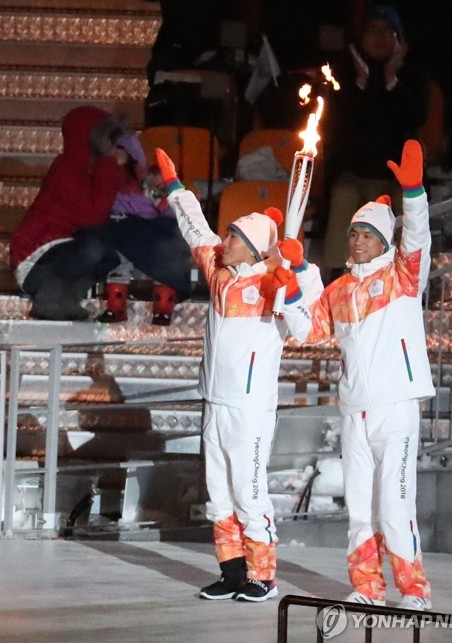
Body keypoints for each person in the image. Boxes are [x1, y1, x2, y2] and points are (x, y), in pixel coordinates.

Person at [155, 147, 322, 602]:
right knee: (218, 496)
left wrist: (299, 274)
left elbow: (310, 327)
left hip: (250, 409)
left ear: (251, 246)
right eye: (227, 236)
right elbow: (195, 229)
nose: (222, 242)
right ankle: (231, 572)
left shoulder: (273, 285)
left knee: (249, 495)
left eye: (232, 238)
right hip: (215, 401)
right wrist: (175, 189)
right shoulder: (219, 274)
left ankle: (262, 576)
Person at [274, 140, 434, 610]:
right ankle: (367, 586)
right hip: (356, 412)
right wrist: (292, 286)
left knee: (395, 506)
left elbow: (418, 238)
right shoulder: (340, 289)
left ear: (384, 241)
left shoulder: (404, 279)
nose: (357, 241)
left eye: (366, 234)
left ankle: (414, 590)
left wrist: (415, 194)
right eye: (353, 234)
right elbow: (308, 331)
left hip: (395, 408)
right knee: (360, 508)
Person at [322, 4, 429, 283]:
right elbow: (339, 122)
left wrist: (391, 80)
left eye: (387, 31)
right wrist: (362, 82)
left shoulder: (412, 76)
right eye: (373, 30)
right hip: (355, 171)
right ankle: (337, 276)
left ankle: (397, 274)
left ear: (399, 39)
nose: (380, 37)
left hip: (394, 175)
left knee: (403, 204)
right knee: (343, 193)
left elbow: (416, 115)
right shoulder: (343, 73)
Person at [10, 106, 126, 320]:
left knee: (108, 251)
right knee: (92, 248)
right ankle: (49, 299)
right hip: (34, 257)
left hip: (55, 251)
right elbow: (94, 214)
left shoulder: (86, 169)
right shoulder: (66, 169)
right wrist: (109, 164)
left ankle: (63, 299)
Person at [96, 131, 191, 326]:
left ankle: (163, 308)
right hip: (121, 227)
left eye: (119, 150)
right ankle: (116, 305)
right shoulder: (103, 176)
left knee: (167, 250)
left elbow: (166, 204)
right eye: (109, 150)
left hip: (151, 228)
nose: (114, 155)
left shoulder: (148, 178)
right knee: (116, 253)